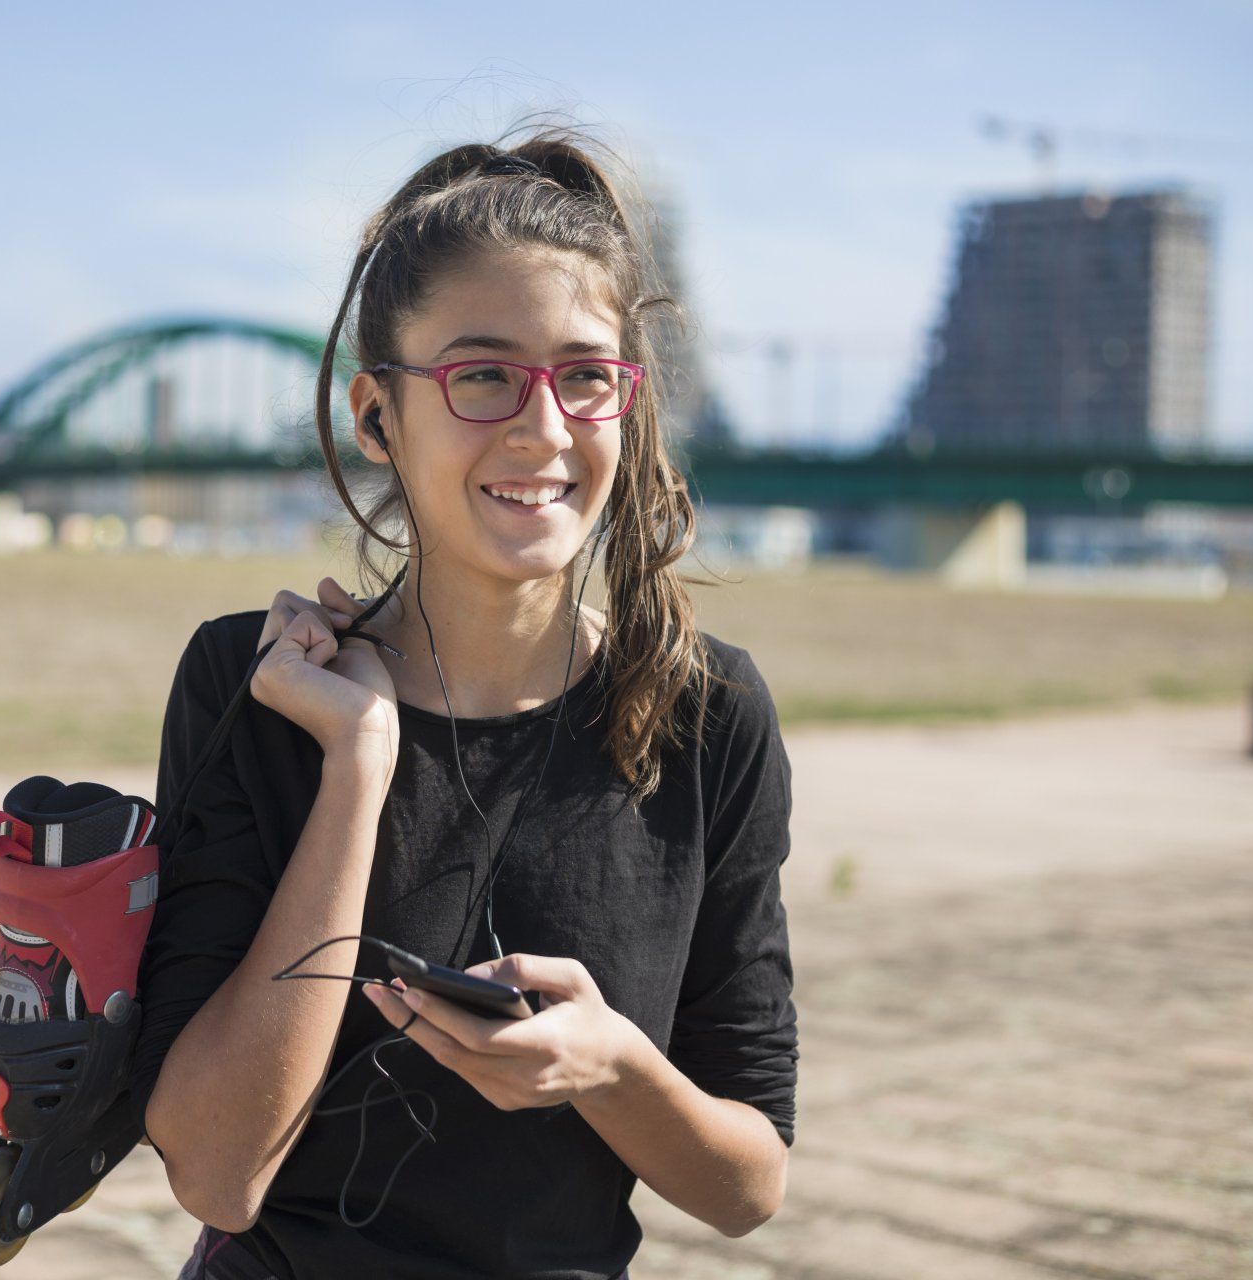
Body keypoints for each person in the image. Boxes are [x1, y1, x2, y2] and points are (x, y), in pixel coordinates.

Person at [132, 125, 798, 1280]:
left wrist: (615, 1068)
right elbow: (218, 1173)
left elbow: (748, 1186)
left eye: (586, 375)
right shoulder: (253, 685)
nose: (543, 429)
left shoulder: (714, 712)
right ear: (378, 414)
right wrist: (356, 763)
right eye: (482, 374)